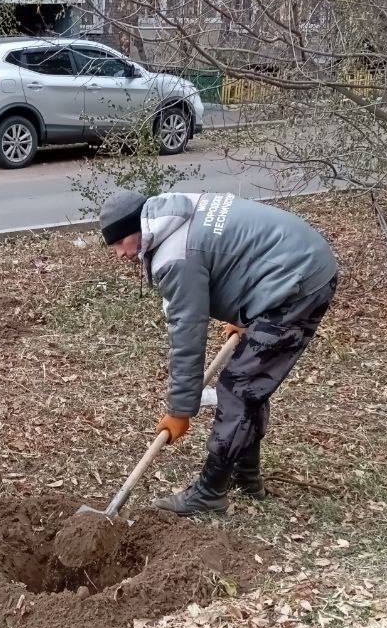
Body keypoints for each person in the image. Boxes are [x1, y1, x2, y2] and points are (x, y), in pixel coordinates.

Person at [99, 188, 338, 515]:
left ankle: (210, 492)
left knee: (238, 388)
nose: (119, 254)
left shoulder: (174, 257)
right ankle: (247, 475)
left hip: (296, 284)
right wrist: (248, 313)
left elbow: (187, 332)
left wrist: (181, 409)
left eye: (118, 243)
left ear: (135, 229)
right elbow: (229, 252)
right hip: (296, 264)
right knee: (250, 384)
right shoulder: (173, 211)